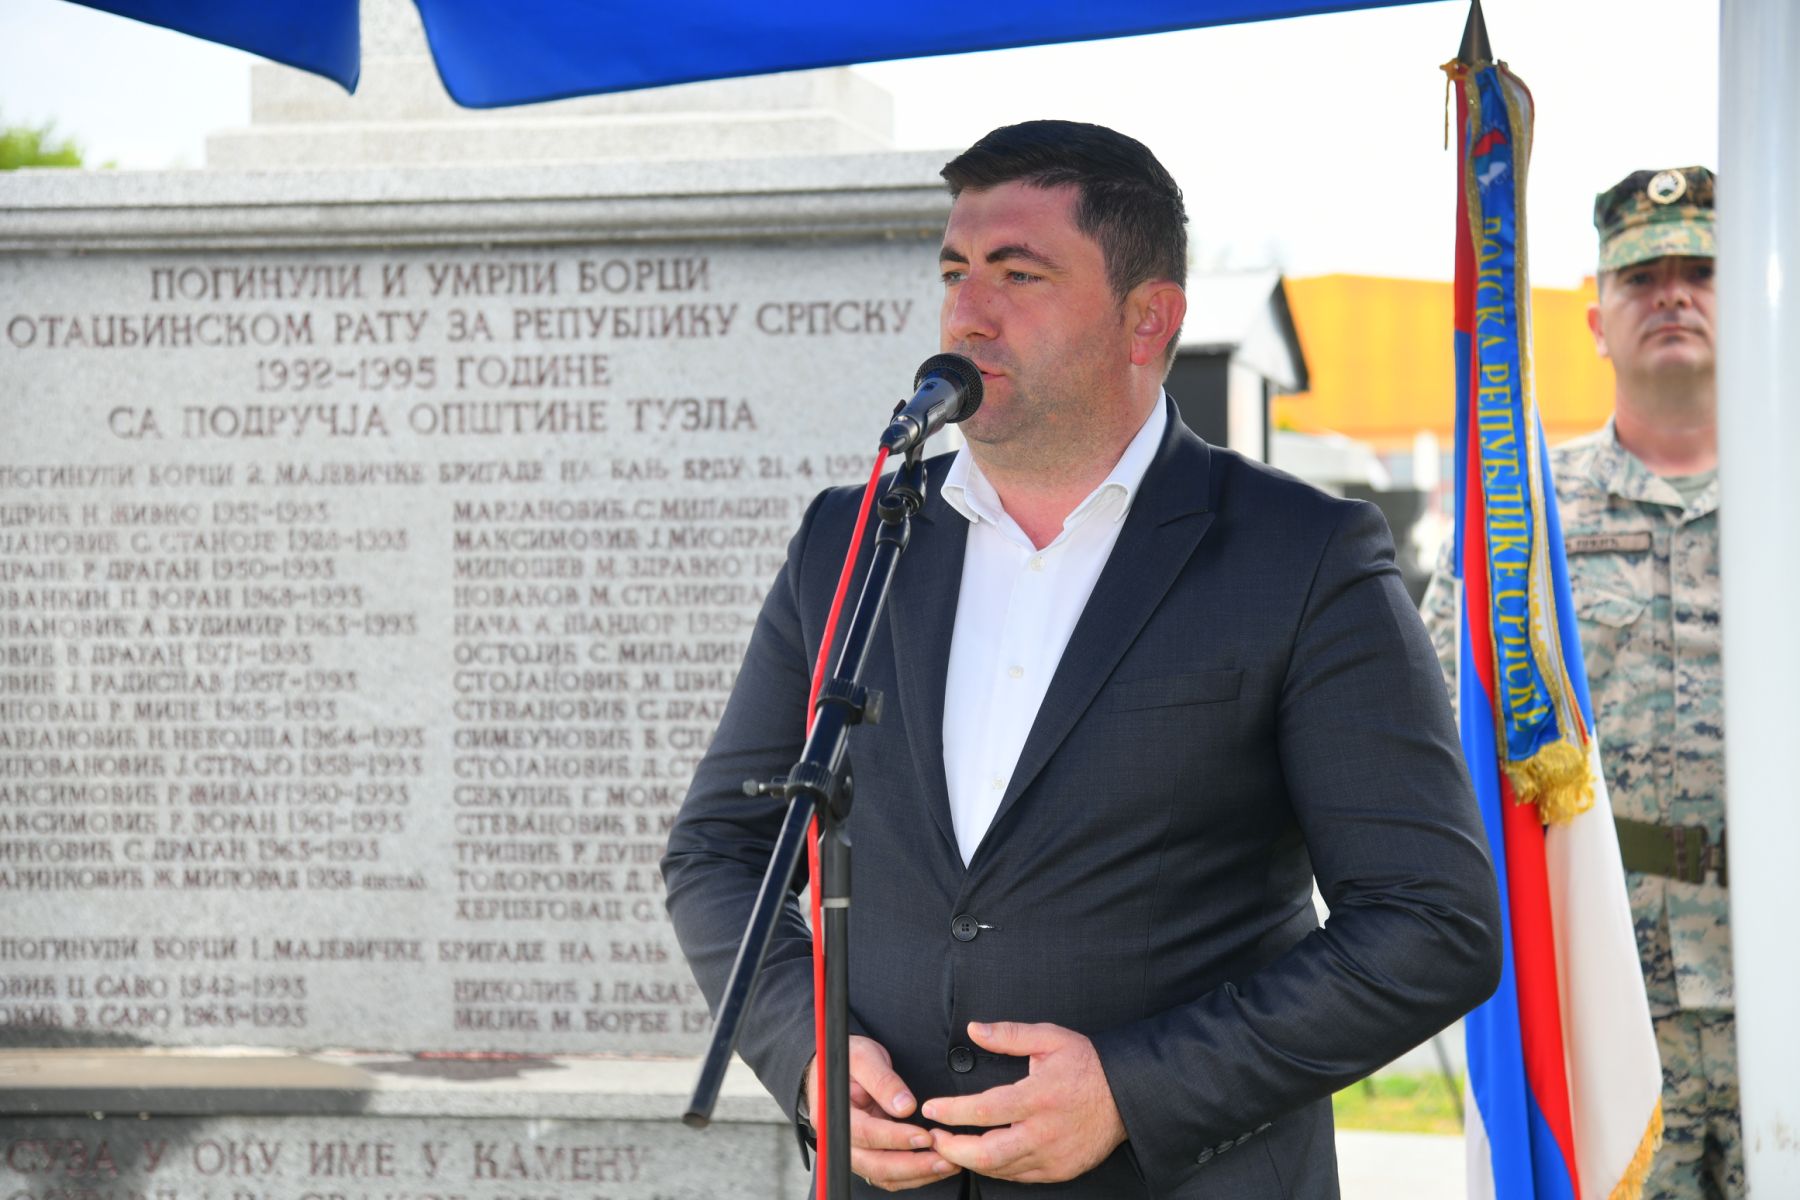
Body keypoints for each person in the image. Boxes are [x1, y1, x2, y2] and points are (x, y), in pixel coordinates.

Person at [665, 120, 1501, 1199]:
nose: (969, 311)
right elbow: (721, 850)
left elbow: (1433, 924)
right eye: (956, 272)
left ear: (1149, 319)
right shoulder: (852, 537)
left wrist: (1134, 1091)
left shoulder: (1303, 555)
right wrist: (806, 1052)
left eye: (1020, 274)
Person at [1420, 165, 1739, 1199]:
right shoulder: (1521, 519)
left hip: (1777, 970)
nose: (1672, 295)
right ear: (1597, 321)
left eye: (1699, 271)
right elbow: (1435, 720)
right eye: (1641, 277)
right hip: (1601, 990)